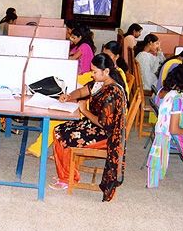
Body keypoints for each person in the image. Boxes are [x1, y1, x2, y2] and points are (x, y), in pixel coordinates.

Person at [50, 54, 127, 202]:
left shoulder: (112, 92)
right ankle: (67, 173)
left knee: (65, 139)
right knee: (59, 130)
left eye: (94, 71)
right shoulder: (100, 83)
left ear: (106, 72)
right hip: (94, 127)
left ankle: (67, 178)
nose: (92, 74)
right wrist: (69, 96)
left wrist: (84, 111)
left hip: (108, 136)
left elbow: (105, 124)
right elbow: (82, 92)